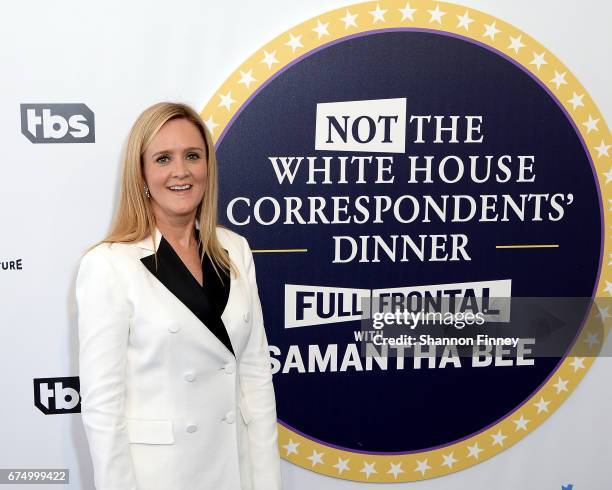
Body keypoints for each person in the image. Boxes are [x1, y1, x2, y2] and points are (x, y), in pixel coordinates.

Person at [75, 101, 282, 490]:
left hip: (234, 470)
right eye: (163, 158)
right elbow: (103, 408)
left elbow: (255, 378)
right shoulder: (109, 265)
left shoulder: (235, 250)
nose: (180, 171)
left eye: (192, 156)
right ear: (141, 174)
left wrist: (267, 481)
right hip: (162, 476)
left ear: (208, 167)